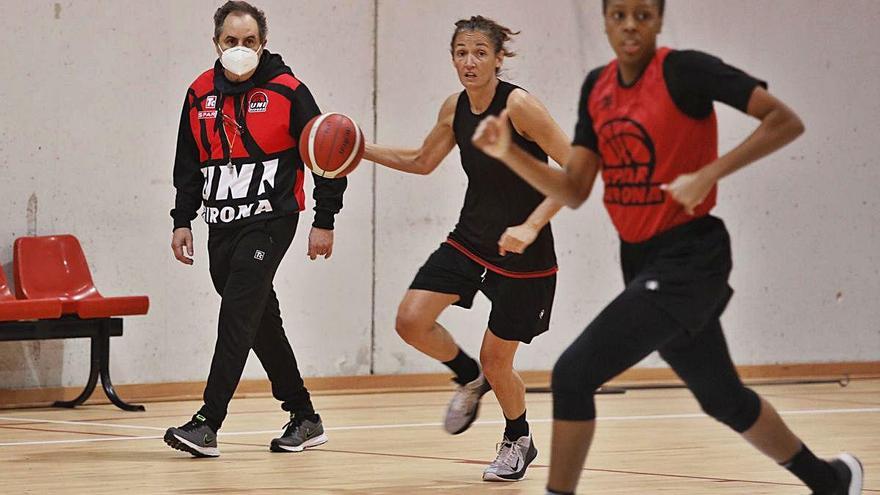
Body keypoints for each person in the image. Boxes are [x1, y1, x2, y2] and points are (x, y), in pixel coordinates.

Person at [472, 1, 864, 493]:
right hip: (640, 261)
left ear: (658, 20)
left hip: (691, 256)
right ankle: (829, 479)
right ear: (606, 22)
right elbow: (574, 189)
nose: (631, 25)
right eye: (620, 15)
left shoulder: (686, 70)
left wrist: (710, 173)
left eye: (643, 15)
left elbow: (784, 120)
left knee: (573, 374)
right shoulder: (598, 87)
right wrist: (508, 151)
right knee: (723, 398)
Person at [363, 16, 571, 482]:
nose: (470, 61)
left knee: (501, 361)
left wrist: (532, 226)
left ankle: (518, 438)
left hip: (524, 255)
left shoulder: (519, 107)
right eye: (461, 52)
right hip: (470, 239)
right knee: (410, 320)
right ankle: (466, 375)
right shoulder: (454, 107)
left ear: (500, 58)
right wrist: (360, 148)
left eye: (480, 52)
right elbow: (421, 161)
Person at [165, 0, 346, 458]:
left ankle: (208, 422)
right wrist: (181, 220)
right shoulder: (198, 93)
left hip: (271, 221)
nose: (239, 49)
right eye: (231, 41)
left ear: (263, 44)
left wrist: (324, 220)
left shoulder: (289, 91)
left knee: (237, 315)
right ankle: (304, 416)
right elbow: (187, 164)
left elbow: (330, 156)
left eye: (249, 41)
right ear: (216, 43)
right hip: (220, 225)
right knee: (260, 320)